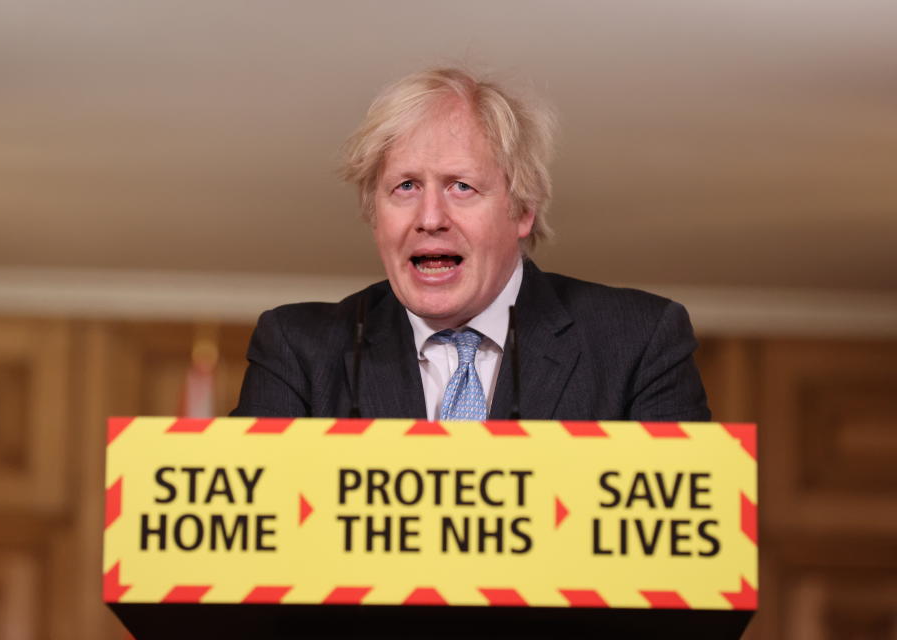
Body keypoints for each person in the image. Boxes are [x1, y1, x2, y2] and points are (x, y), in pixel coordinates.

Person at [232, 68, 709, 422]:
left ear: (522, 210)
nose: (431, 218)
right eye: (405, 187)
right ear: (375, 214)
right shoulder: (297, 350)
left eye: (461, 186)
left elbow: (678, 548)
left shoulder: (640, 342)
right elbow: (250, 548)